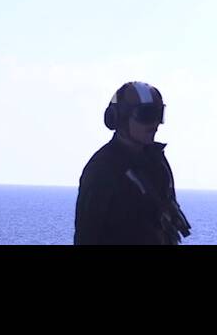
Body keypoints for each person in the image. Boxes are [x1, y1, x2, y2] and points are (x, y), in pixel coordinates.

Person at [74, 81, 191, 245]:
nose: (155, 124)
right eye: (146, 115)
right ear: (120, 117)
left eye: (159, 114)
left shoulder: (157, 162)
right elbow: (87, 236)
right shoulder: (102, 169)